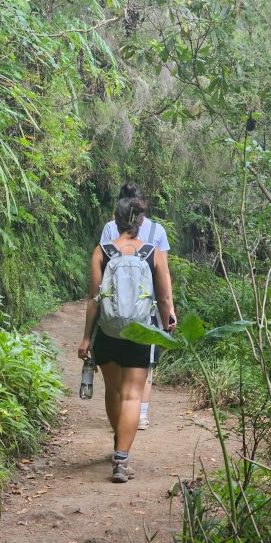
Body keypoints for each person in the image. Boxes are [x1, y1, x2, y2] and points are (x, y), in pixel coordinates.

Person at [78, 197, 176, 483]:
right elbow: (164, 296)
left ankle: (117, 445)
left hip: (107, 332)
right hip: (141, 332)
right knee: (133, 395)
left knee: (114, 391)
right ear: (141, 222)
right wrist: (169, 320)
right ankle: (121, 460)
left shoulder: (101, 251)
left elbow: (93, 300)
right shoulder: (152, 252)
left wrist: (86, 337)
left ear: (115, 218)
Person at [100, 183, 176, 429]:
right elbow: (163, 276)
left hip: (112, 311)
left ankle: (122, 412)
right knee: (145, 365)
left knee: (117, 369)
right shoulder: (157, 230)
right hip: (147, 309)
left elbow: (103, 266)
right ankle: (140, 414)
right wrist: (169, 315)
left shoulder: (110, 228)